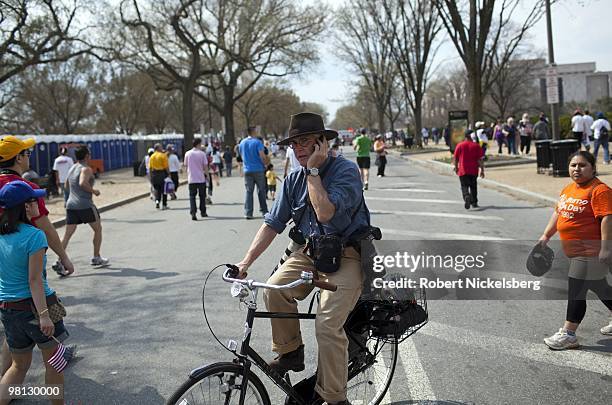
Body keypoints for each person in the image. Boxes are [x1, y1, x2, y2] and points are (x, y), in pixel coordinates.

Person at [235, 112, 369, 405]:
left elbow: (325, 213)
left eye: (305, 142)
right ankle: (290, 351)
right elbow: (272, 224)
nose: (297, 150)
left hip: (347, 255)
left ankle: (334, 397)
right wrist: (245, 263)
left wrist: (314, 172)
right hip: (311, 253)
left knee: (327, 324)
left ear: (322, 143)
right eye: (294, 144)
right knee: (275, 289)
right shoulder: (292, 179)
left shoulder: (345, 172)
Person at [0, 135, 74, 376]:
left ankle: (5, 380)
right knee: (32, 311)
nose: (28, 157)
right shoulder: (25, 190)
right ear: (18, 157)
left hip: (3, 266)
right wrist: (63, 256)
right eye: (26, 153)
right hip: (27, 263)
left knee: (13, 326)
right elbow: (44, 226)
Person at [0, 181, 68, 404]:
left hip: (9, 309)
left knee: (18, 366)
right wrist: (44, 315)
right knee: (55, 362)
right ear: (25, 207)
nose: (37, 203)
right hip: (37, 306)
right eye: (32, 200)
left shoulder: (2, 234)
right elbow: (35, 279)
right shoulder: (34, 236)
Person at [539, 151, 612, 350]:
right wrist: (546, 235)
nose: (577, 169)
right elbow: (559, 213)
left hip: (591, 250)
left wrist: (605, 248)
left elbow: (607, 218)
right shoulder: (569, 189)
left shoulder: (599, 190)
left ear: (593, 168)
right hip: (577, 250)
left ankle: (569, 334)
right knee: (600, 288)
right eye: (573, 165)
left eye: (582, 165)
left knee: (577, 291)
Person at [61, 146, 109, 266]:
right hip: (85, 205)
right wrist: (94, 191)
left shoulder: (72, 168)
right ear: (87, 156)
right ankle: (96, 257)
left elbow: (66, 185)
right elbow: (82, 183)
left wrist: (73, 194)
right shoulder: (86, 169)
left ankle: (59, 260)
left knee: (67, 235)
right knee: (98, 229)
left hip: (71, 205)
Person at [239, 127, 268, 219]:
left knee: (249, 191)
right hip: (258, 169)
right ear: (253, 132)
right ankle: (264, 211)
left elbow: (241, 155)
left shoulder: (242, 143)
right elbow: (262, 156)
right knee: (261, 190)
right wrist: (266, 164)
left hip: (247, 169)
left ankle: (248, 212)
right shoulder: (257, 142)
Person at [453, 130, 485, 209]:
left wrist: (456, 167)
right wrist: (482, 170)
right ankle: (474, 202)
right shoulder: (476, 146)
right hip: (473, 170)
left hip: (463, 170)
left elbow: (456, 158)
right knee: (473, 186)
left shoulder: (460, 145)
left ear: (465, 136)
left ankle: (466, 196)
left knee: (464, 186)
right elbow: (480, 160)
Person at [184, 138, 209, 221]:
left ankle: (193, 212)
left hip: (191, 178)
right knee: (202, 196)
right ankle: (203, 211)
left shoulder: (187, 153)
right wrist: (207, 176)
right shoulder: (202, 154)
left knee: (192, 196)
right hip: (201, 178)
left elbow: (186, 165)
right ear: (198, 144)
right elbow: (205, 166)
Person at [149, 143, 170, 210]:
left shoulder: (152, 156)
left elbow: (150, 167)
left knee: (157, 189)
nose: (162, 148)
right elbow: (166, 167)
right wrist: (169, 174)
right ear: (158, 148)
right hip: (162, 173)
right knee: (164, 190)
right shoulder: (163, 156)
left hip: (154, 174)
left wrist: (150, 176)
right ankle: (164, 204)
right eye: (161, 147)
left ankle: (157, 201)